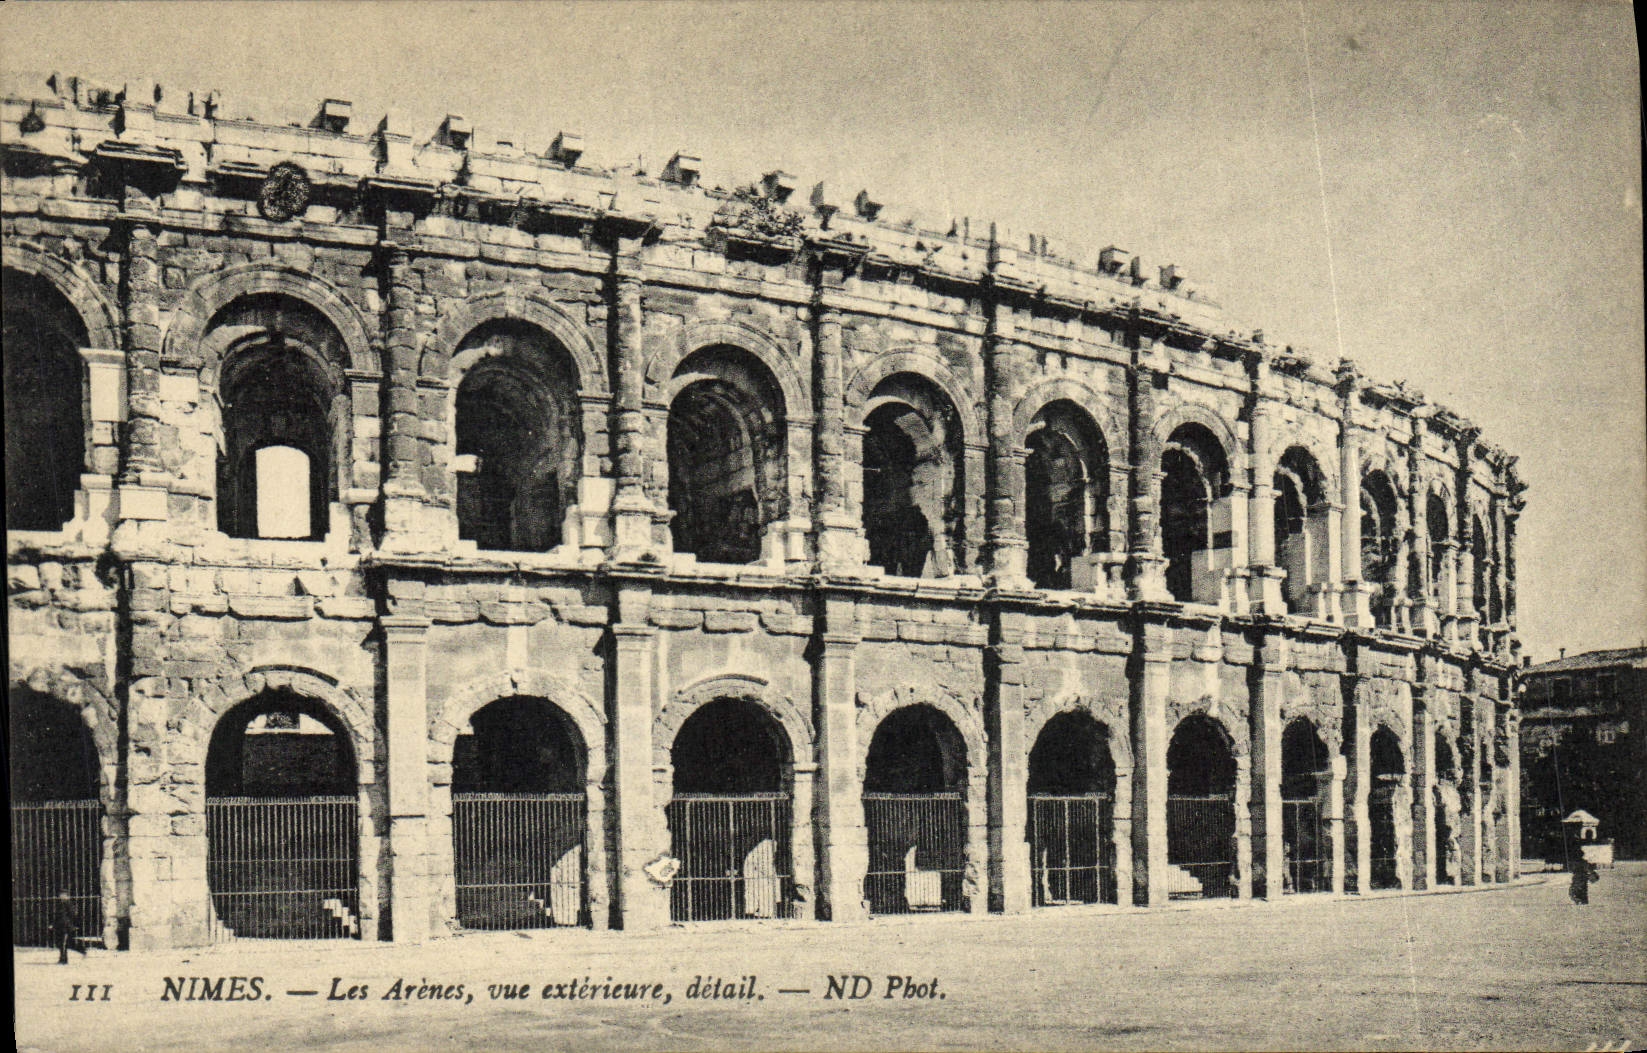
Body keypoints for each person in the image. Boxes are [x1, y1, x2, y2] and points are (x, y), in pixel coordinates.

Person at [49, 890, 87, 964]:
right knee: (63, 943)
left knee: (64, 943)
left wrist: (73, 924)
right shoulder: (60, 904)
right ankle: (81, 950)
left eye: (62, 895)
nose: (61, 896)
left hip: (66, 926)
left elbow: (73, 914)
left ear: (66, 895)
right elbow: (57, 916)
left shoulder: (68, 903)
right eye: (60, 895)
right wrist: (53, 924)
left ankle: (63, 959)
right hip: (60, 926)